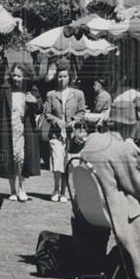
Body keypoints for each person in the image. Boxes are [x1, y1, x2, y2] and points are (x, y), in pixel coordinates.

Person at [79, 91, 140, 279]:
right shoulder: (121, 149)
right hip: (112, 210)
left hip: (87, 209)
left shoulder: (93, 139)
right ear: (130, 124)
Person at [0, 63, 41, 202]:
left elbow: (40, 108)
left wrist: (34, 102)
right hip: (9, 130)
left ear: (25, 77)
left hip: (24, 129)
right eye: (14, 75)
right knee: (10, 158)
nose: (16, 78)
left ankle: (21, 188)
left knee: (22, 158)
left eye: (19, 76)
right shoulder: (4, 90)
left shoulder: (31, 90)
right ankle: (12, 190)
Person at [42, 60, 86, 202]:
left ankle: (64, 191)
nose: (62, 79)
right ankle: (55, 188)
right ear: (57, 78)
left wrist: (74, 121)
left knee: (69, 163)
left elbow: (82, 112)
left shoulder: (78, 94)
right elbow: (47, 113)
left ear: (69, 77)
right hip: (56, 133)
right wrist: (58, 122)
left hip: (72, 134)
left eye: (65, 76)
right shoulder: (51, 94)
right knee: (57, 161)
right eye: (60, 76)